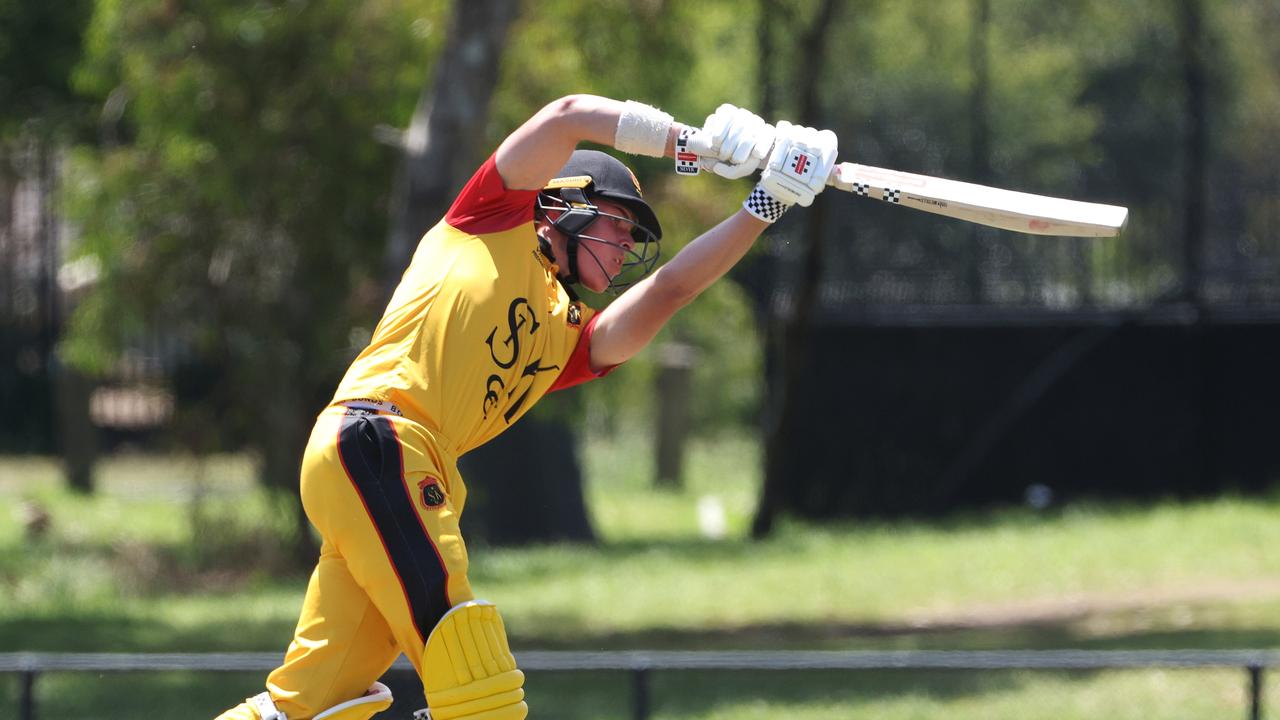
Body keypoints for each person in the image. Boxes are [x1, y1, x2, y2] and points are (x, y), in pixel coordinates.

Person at [215, 95, 837, 720]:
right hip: (378, 442)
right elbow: (566, 116)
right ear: (564, 203)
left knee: (309, 707)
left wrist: (766, 206)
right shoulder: (492, 218)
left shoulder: (568, 335)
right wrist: (693, 145)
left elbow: (672, 287)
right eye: (620, 223)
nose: (628, 245)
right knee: (477, 686)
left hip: (392, 469)